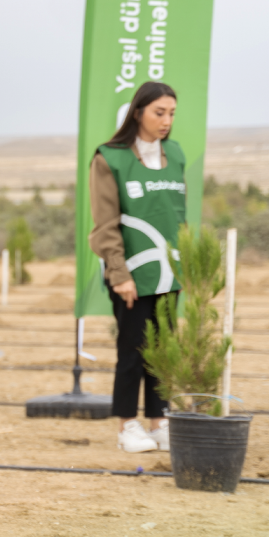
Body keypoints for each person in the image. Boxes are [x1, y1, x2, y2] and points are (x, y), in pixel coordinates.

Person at [88, 81, 184, 454]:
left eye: (171, 114)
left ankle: (159, 423)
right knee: (133, 350)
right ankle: (128, 425)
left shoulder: (174, 154)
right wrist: (119, 273)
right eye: (159, 112)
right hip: (130, 273)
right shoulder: (109, 158)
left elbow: (177, 216)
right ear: (138, 112)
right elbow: (106, 223)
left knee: (163, 349)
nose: (166, 120)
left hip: (168, 272)